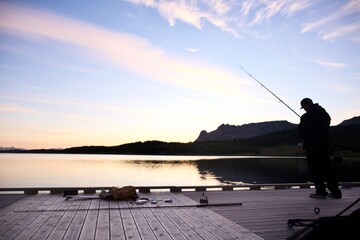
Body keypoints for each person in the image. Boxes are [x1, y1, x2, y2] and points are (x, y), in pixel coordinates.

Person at [297, 98, 342, 199]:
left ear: (306, 105)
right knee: (328, 169)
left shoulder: (306, 116)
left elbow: (301, 132)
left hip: (312, 147)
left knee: (315, 169)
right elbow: (327, 123)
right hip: (324, 146)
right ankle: (335, 192)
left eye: (303, 107)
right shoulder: (324, 113)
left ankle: (321, 192)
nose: (304, 109)